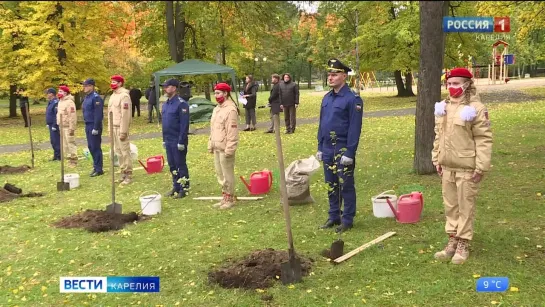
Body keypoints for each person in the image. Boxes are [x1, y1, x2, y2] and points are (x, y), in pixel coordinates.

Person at [432, 67, 493, 265]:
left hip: (467, 167)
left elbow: (484, 139)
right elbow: (438, 136)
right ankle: (452, 239)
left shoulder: (476, 109)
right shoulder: (443, 107)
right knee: (450, 205)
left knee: (465, 206)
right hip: (447, 166)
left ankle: (463, 243)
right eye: (449, 84)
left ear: (467, 85)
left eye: (456, 84)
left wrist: (481, 167)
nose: (452, 87)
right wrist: (437, 159)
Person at [316, 59, 364, 233]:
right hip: (328, 148)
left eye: (334, 74)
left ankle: (347, 219)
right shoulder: (327, 98)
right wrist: (320, 146)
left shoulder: (352, 99)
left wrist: (350, 151)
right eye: (329, 74)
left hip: (343, 148)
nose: (330, 77)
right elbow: (322, 124)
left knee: (345, 185)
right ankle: (334, 215)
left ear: (344, 76)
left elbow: (354, 127)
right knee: (331, 184)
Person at [208, 82, 239, 209]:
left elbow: (232, 132)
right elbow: (213, 128)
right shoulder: (217, 109)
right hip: (217, 146)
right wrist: (211, 143)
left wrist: (230, 149)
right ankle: (224, 196)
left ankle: (230, 198)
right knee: (220, 174)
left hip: (225, 148)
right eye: (215, 93)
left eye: (218, 93)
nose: (216, 95)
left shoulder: (231, 110)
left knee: (227, 175)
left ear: (225, 93)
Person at [161, 78, 190, 198]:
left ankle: (184, 187)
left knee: (180, 164)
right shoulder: (166, 104)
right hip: (168, 139)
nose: (164, 89)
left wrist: (181, 141)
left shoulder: (181, 103)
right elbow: (165, 123)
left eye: (167, 86)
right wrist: (164, 139)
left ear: (174, 88)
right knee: (172, 165)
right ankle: (176, 186)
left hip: (177, 139)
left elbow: (184, 124)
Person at [108, 75, 133, 185]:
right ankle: (123, 172)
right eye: (112, 81)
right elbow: (110, 114)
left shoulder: (124, 96)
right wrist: (109, 128)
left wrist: (123, 131)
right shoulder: (113, 96)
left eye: (115, 82)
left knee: (124, 151)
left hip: (120, 127)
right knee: (118, 151)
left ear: (120, 83)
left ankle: (128, 174)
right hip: (113, 127)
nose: (112, 83)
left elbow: (125, 115)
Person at [82, 78, 105, 177]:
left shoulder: (96, 98)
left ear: (91, 86)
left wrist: (96, 127)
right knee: (91, 146)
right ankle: (95, 166)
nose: (84, 88)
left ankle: (99, 168)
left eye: (86, 86)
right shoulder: (87, 97)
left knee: (95, 147)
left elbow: (98, 114)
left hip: (93, 124)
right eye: (84, 86)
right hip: (88, 124)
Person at [56, 85, 78, 168]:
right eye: (59, 91)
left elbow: (72, 116)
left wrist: (72, 128)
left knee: (70, 143)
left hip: (68, 126)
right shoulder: (60, 101)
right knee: (65, 144)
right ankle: (69, 159)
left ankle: (73, 160)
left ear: (65, 93)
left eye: (61, 91)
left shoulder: (69, 102)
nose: (59, 93)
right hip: (61, 126)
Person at [45, 88, 60, 161]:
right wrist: (48, 123)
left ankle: (59, 156)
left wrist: (54, 125)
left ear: (51, 94)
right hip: (50, 124)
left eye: (47, 93)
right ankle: (56, 155)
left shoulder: (55, 102)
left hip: (54, 125)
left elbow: (56, 115)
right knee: (53, 141)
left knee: (56, 141)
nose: (47, 95)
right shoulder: (50, 102)